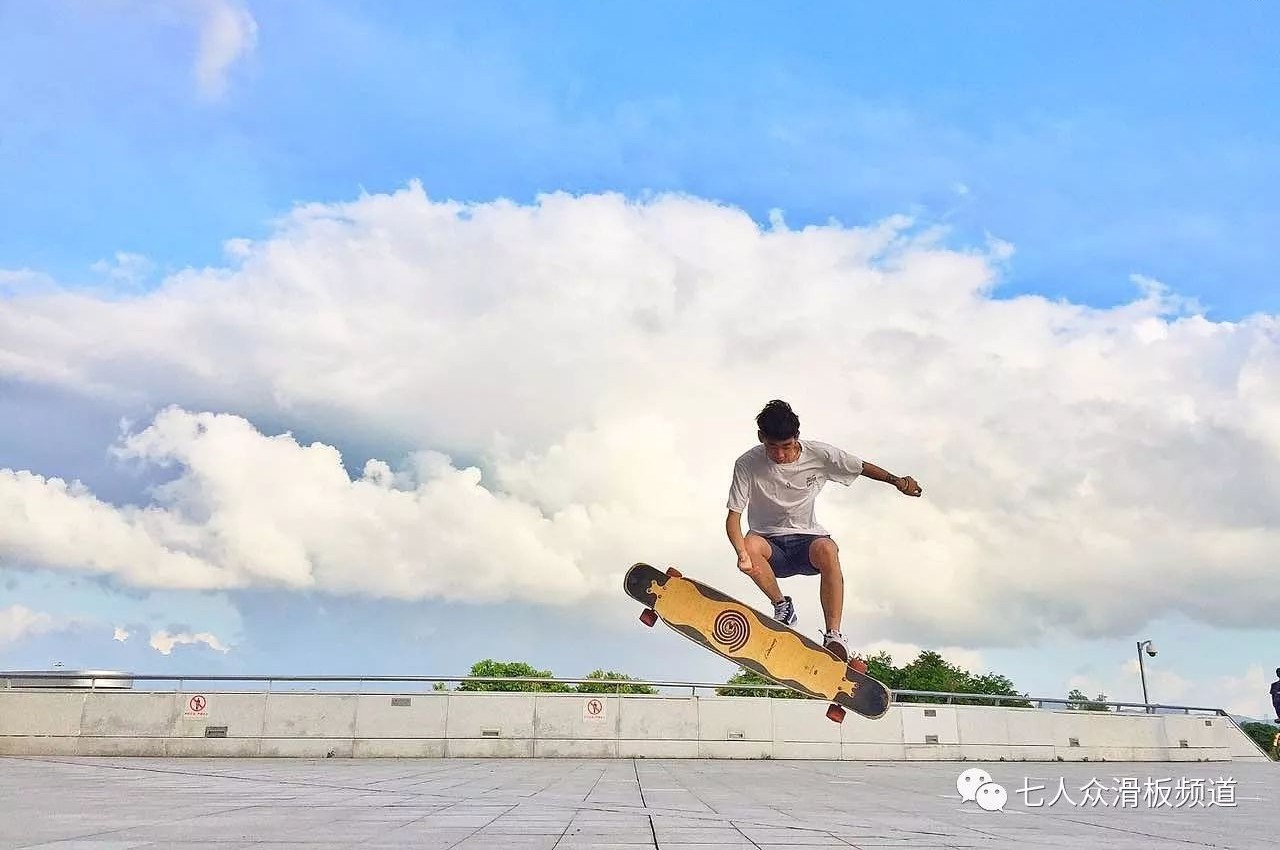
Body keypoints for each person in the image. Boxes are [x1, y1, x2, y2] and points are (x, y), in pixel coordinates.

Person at [725, 399, 922, 667]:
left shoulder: (819, 454)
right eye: (772, 447)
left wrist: (897, 481)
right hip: (770, 548)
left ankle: (833, 636)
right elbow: (733, 517)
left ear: (797, 438)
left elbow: (860, 466)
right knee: (749, 544)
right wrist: (741, 554)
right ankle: (782, 606)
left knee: (829, 549)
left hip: (807, 543)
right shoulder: (747, 463)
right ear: (761, 438)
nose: (780, 455)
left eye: (787, 446)